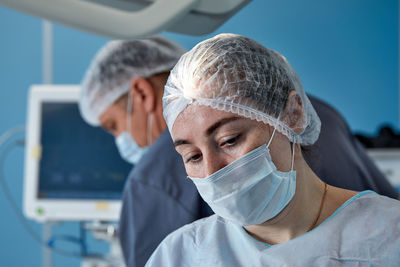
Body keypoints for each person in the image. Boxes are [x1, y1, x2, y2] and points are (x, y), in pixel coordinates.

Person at [146, 33, 400, 266]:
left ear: (293, 114)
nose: (212, 171)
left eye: (229, 140)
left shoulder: (389, 236)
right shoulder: (180, 255)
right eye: (193, 156)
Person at [79, 37, 213, 267]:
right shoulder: (238, 137)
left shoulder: (152, 181)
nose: (119, 138)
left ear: (142, 93)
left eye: (113, 126)